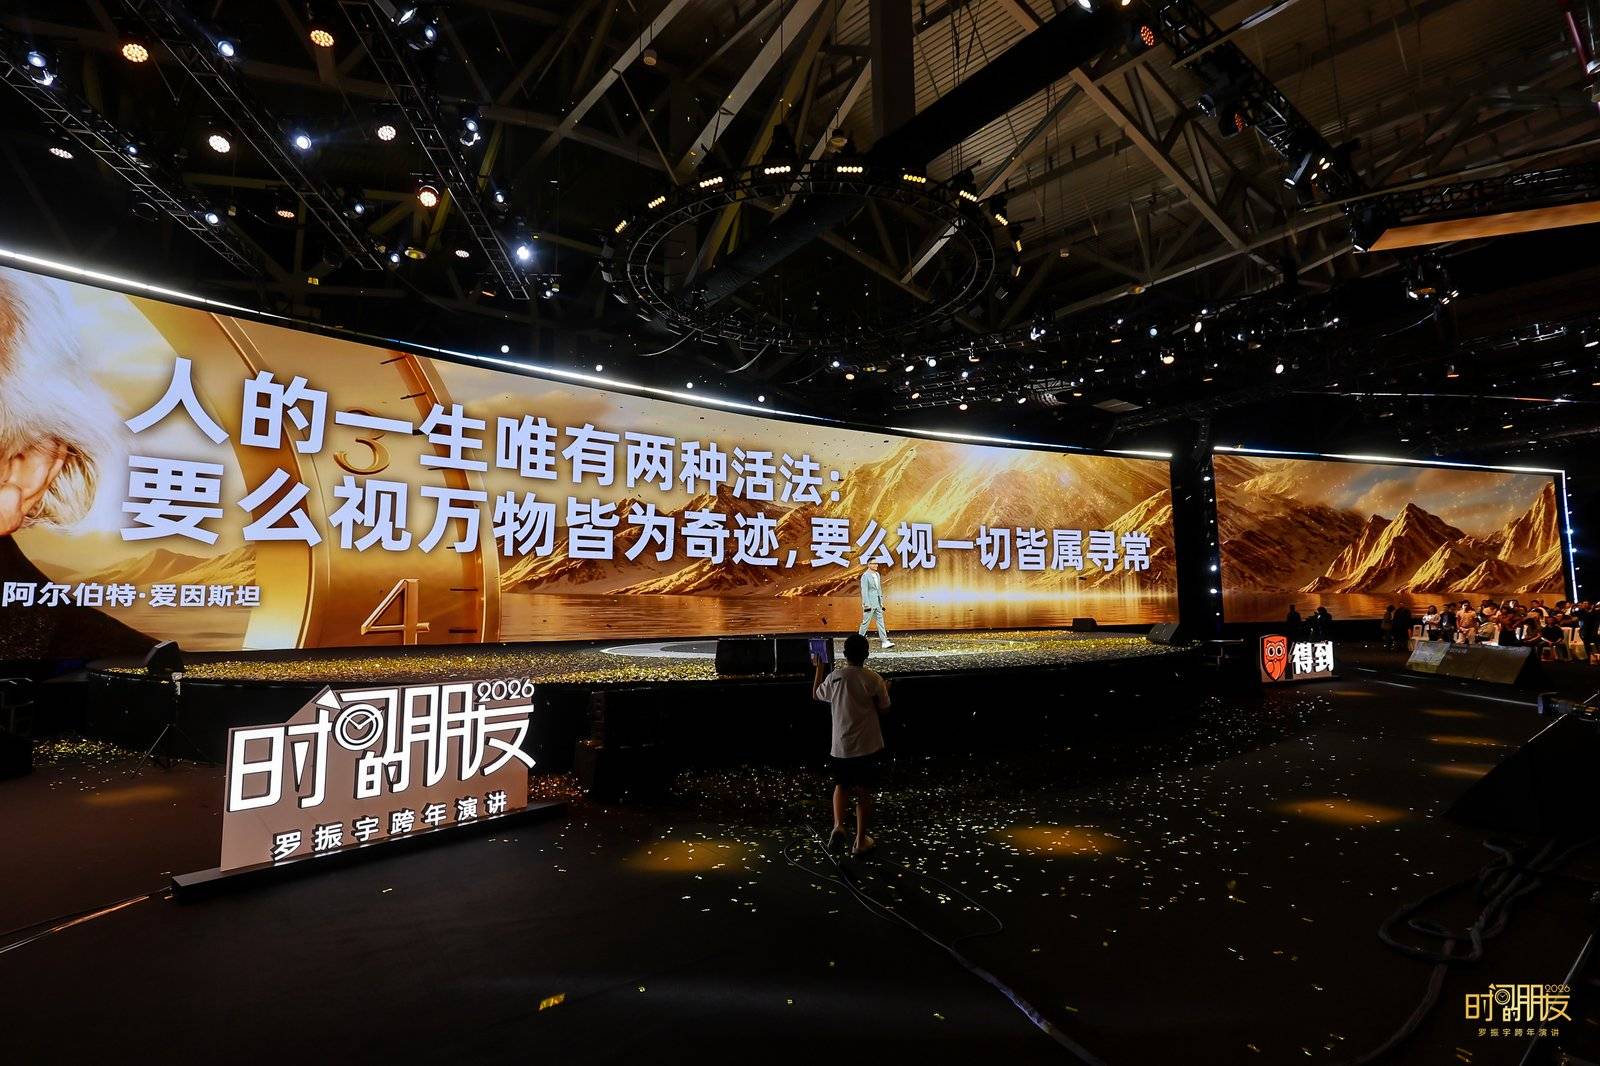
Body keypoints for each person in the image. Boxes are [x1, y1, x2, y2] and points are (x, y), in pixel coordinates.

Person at [812, 633, 890, 857]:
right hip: (867, 746)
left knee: (841, 786)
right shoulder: (873, 678)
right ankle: (860, 841)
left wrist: (819, 668)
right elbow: (884, 708)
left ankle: (838, 825)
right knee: (864, 790)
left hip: (841, 746)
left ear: (844, 654)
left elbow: (816, 694)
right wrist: (886, 690)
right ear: (866, 654)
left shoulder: (835, 677)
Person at [857, 560, 894, 649]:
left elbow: (878, 589)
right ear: (869, 565)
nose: (876, 565)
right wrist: (866, 604)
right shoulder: (865, 576)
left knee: (880, 622)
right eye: (874, 563)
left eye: (877, 563)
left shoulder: (877, 574)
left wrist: (881, 601)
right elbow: (864, 591)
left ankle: (884, 641)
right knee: (865, 623)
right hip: (869, 604)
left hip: (878, 603)